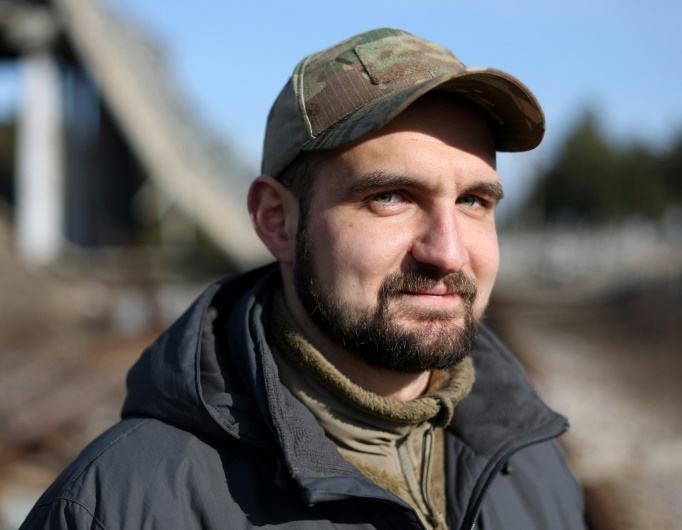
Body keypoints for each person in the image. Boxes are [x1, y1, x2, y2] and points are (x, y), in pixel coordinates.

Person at [22, 28, 585, 529]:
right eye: (391, 197)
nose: (448, 252)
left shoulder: (532, 464)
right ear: (277, 221)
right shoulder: (118, 507)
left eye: (473, 201)